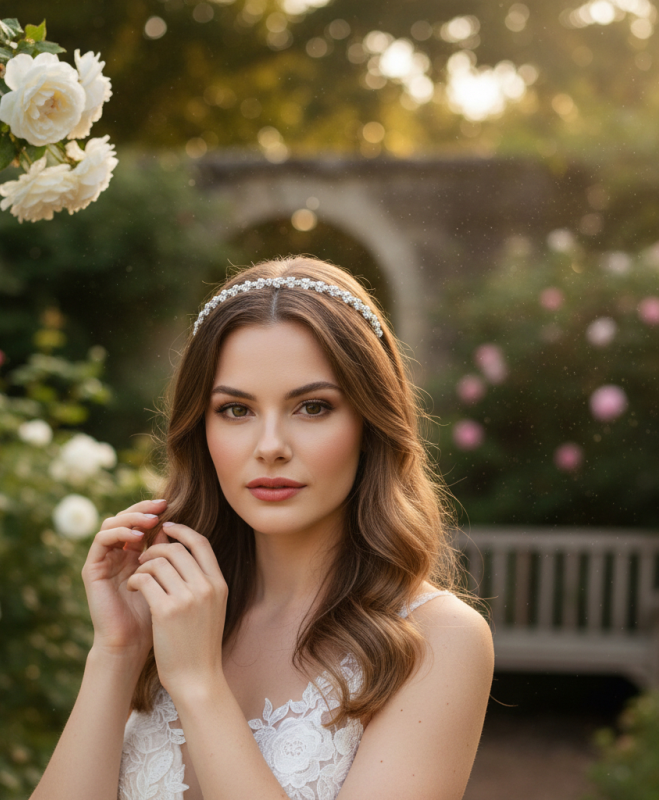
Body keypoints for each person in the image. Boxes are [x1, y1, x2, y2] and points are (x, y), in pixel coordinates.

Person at [30, 256, 494, 800]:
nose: (270, 446)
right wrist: (117, 651)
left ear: (370, 424)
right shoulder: (176, 609)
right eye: (236, 410)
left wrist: (200, 685)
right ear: (200, 429)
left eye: (313, 407)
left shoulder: (439, 641)